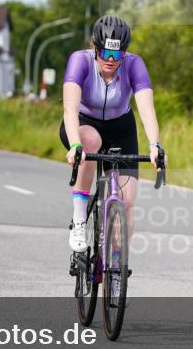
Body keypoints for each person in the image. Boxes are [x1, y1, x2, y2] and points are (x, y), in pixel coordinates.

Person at [60, 14, 165, 252]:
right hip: (84, 124)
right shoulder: (80, 61)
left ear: (124, 53)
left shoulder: (134, 64)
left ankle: (116, 263)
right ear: (94, 48)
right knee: (89, 141)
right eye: (104, 52)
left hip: (121, 128)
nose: (109, 60)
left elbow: (147, 109)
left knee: (127, 201)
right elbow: (70, 109)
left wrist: (154, 145)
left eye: (116, 55)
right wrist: (75, 145)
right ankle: (78, 221)